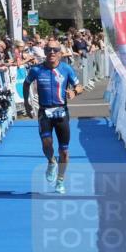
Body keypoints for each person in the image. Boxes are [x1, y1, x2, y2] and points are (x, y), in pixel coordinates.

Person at [23, 39, 83, 194]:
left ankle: (60, 180)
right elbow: (26, 84)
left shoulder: (66, 69)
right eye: (49, 49)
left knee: (64, 151)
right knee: (46, 143)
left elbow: (79, 86)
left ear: (60, 53)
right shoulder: (36, 70)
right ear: (44, 52)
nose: (52, 52)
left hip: (62, 113)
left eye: (55, 50)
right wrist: (27, 103)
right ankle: (51, 161)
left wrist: (74, 92)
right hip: (44, 112)